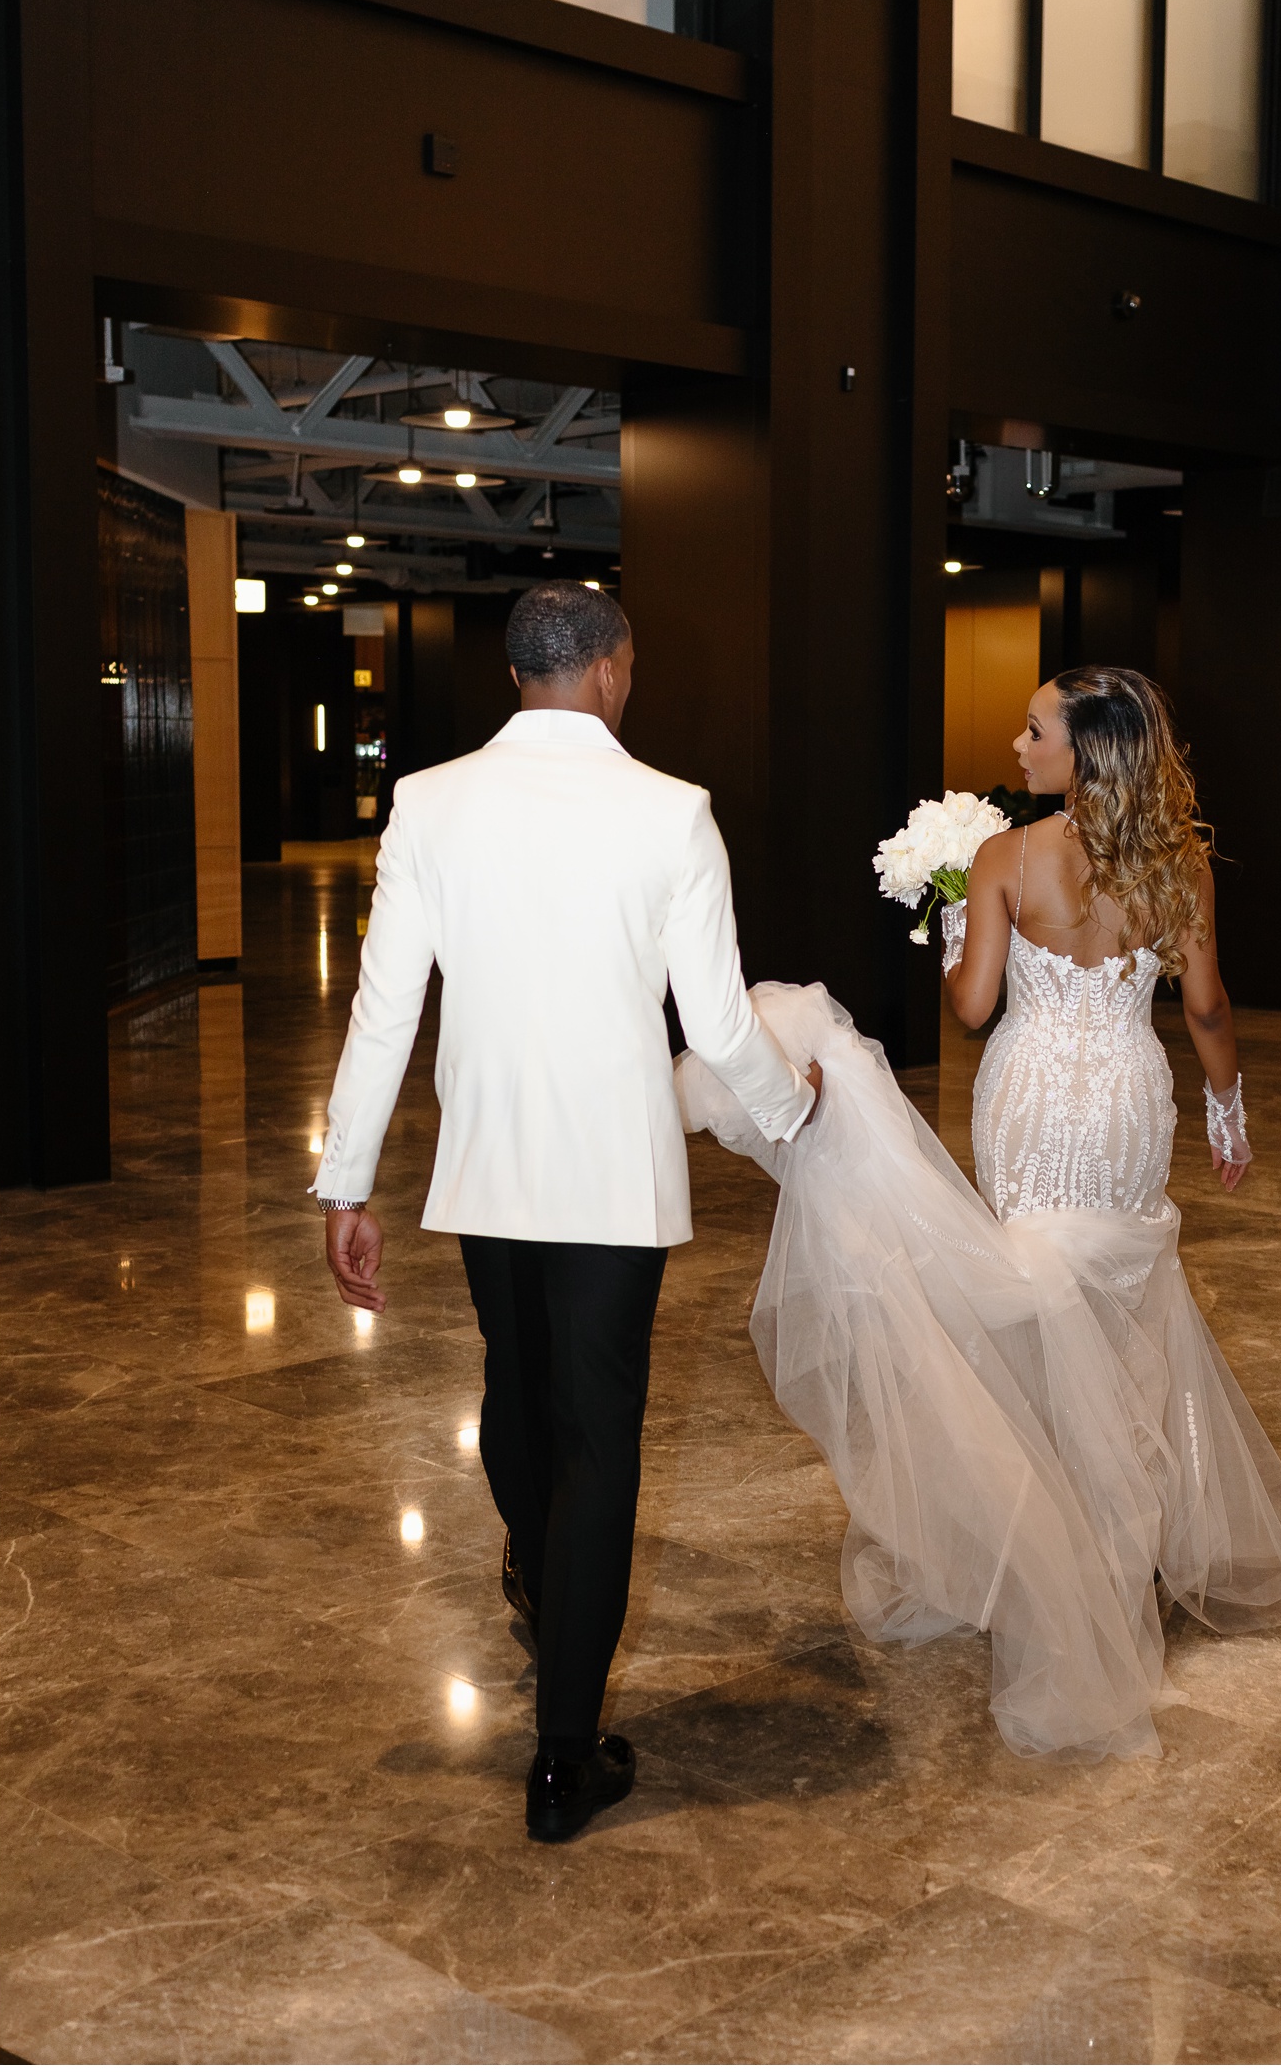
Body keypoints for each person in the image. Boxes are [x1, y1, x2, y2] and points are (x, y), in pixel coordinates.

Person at [676, 666, 1281, 1760]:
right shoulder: (1177, 859)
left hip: (1027, 1097)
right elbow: (1203, 1003)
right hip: (1123, 1093)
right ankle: (1125, 1519)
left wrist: (946, 933)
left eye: (1033, 731)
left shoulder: (1005, 857)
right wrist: (1226, 1108)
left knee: (1029, 1292)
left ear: (1082, 750)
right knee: (1119, 1287)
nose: (1017, 746)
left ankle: (1057, 1529)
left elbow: (973, 1007)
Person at [312, 582, 819, 1842]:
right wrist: (788, 1107)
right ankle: (563, 1756)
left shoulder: (429, 801)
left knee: (518, 1389)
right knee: (595, 1433)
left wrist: (348, 1178)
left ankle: (546, 1584)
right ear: (603, 670)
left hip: (487, 1169)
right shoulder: (671, 811)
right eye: (631, 667)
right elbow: (711, 1025)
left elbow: (386, 1007)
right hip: (608, 1178)